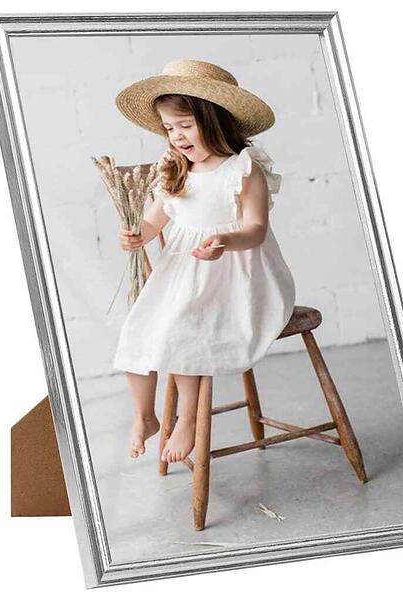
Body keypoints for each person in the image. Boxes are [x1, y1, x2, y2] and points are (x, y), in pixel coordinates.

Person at [111, 59, 295, 463]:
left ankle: (188, 419)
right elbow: (154, 221)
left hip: (238, 275)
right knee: (138, 330)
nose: (176, 136)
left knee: (184, 328)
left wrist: (224, 241)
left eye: (185, 125)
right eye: (169, 128)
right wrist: (138, 234)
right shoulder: (175, 170)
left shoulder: (242, 170)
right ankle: (145, 416)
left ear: (214, 121)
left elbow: (256, 229)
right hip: (182, 273)